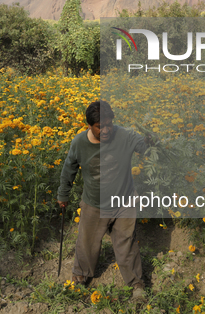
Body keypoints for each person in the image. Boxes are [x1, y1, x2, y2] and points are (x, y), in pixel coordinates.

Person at [57, 100, 148, 301]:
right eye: (100, 126)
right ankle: (80, 276)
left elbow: (143, 147)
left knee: (127, 243)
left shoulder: (125, 136)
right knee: (86, 243)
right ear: (89, 125)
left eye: (109, 124)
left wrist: (150, 142)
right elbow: (69, 168)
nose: (106, 130)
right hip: (93, 203)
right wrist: (63, 194)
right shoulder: (79, 143)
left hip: (124, 202)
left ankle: (136, 284)